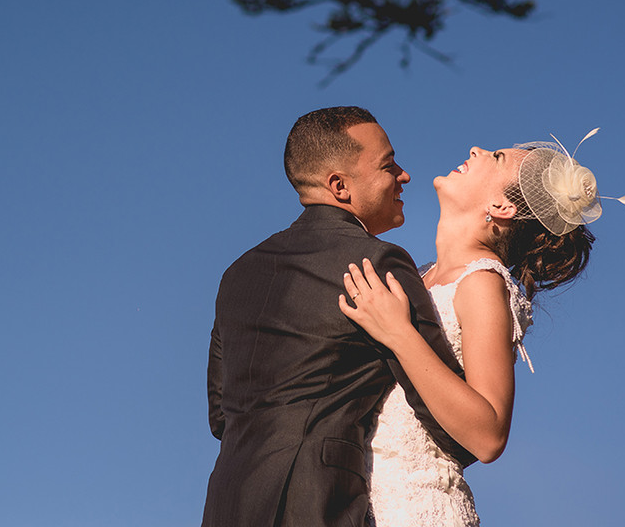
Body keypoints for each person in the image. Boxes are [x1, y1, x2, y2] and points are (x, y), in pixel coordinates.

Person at [340, 134, 625, 526]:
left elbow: (489, 434)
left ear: (502, 206)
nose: (476, 149)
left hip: (419, 509)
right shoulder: (422, 275)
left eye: (495, 157)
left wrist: (398, 332)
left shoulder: (481, 282)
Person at [202, 106, 474, 527]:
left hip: (227, 501)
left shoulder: (237, 274)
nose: (404, 176)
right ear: (339, 186)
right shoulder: (377, 263)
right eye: (388, 165)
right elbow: (456, 431)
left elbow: (221, 416)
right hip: (317, 502)